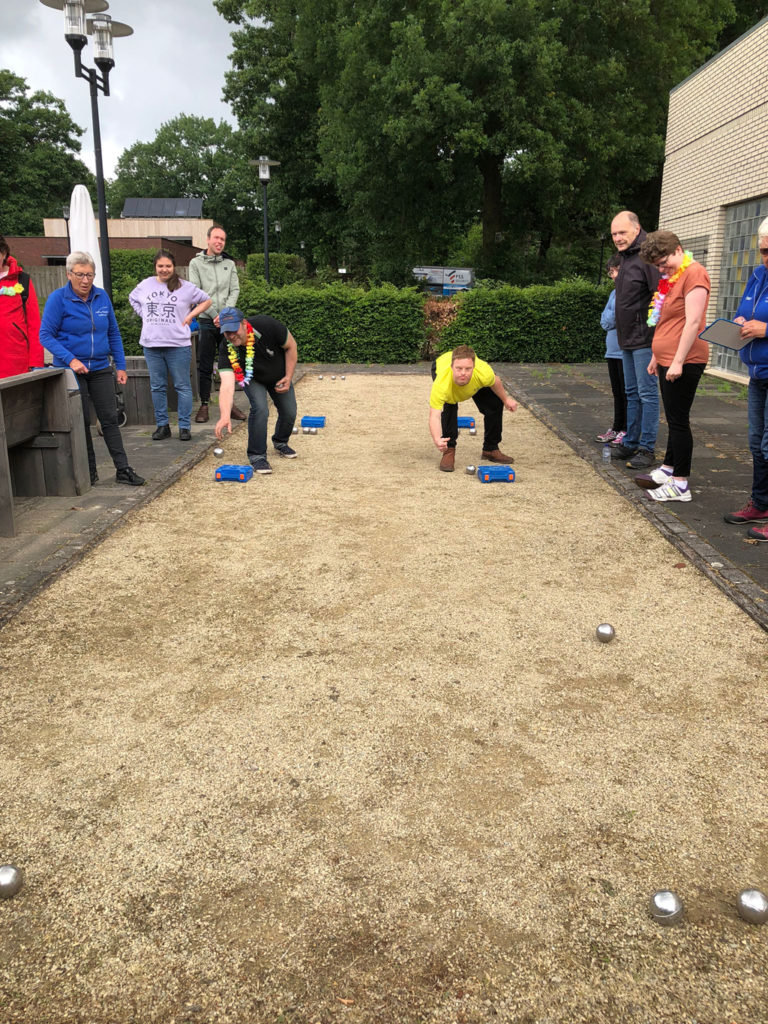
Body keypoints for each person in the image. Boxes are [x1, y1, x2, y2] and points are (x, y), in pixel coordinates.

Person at [40, 251, 144, 487]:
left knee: (109, 418)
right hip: (71, 370)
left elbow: (113, 333)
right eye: (80, 275)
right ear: (69, 274)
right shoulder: (58, 299)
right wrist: (70, 359)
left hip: (99, 367)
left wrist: (121, 365)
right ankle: (89, 471)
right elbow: (45, 335)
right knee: (81, 421)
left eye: (90, 275)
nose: (85, 280)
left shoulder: (101, 297)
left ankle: (123, 469)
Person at [634, 231, 710, 502]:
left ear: (678, 249)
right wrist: (657, 355)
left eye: (663, 261)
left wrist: (677, 360)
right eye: (656, 265)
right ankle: (669, 468)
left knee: (679, 421)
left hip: (686, 360)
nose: (661, 268)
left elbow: (692, 322)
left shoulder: (695, 274)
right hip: (667, 358)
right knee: (673, 417)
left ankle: (680, 484)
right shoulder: (670, 279)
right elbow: (666, 321)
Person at [129, 251, 211, 441]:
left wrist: (190, 316)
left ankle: (184, 426)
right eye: (160, 266)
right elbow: (132, 298)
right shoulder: (145, 285)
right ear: (155, 267)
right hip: (152, 344)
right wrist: (144, 315)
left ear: (173, 267)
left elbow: (207, 300)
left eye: (168, 266)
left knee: (182, 386)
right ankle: (162, 425)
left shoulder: (185, 287)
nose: (164, 269)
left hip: (178, 345)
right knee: (157, 386)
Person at [723, 215, 768, 540]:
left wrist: (766, 329)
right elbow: (747, 310)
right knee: (756, 443)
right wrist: (741, 320)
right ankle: (761, 503)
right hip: (757, 373)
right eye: (764, 251)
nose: (767, 258)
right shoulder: (757, 275)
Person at [214, 307, 298, 474]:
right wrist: (225, 415)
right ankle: (257, 455)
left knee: (289, 411)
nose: (231, 336)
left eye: (234, 330)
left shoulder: (267, 325)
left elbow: (291, 346)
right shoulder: (226, 347)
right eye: (226, 332)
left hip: (278, 374)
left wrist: (289, 376)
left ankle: (280, 442)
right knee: (260, 408)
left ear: (244, 324)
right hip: (251, 378)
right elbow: (227, 385)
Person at [609, 210, 661, 470]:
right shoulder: (625, 257)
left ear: (637, 229)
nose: (618, 238)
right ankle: (630, 441)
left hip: (645, 339)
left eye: (622, 233)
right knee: (631, 393)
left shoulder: (647, 256)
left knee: (647, 393)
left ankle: (647, 447)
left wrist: (655, 335)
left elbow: (660, 296)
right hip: (626, 338)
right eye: (614, 234)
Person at [188, 224, 245, 424]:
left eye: (223, 239)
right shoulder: (195, 264)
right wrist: (214, 315)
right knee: (205, 364)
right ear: (208, 240)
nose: (219, 242)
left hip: (227, 322)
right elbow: (196, 293)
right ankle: (204, 404)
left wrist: (225, 314)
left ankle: (229, 404)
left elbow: (235, 290)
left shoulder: (229, 264)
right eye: (216, 238)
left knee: (229, 362)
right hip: (206, 320)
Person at [429, 345, 517, 472]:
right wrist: (437, 439)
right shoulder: (442, 383)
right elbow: (434, 415)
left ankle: (490, 449)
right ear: (452, 367)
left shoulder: (483, 372)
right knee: (449, 405)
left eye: (468, 369)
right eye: (458, 368)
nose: (463, 373)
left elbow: (495, 382)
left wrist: (506, 399)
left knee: (494, 403)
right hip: (441, 369)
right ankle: (449, 450)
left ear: (474, 368)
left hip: (474, 380)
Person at [0, 236, 44, 379]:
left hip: (16, 363)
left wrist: (36, 363)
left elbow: (34, 324)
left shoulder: (22, 280)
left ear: (4, 253)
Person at [595, 253, 627, 446]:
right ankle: (616, 427)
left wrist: (611, 316)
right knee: (616, 392)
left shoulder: (627, 293)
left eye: (615, 270)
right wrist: (611, 316)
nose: (613, 275)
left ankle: (626, 429)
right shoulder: (614, 293)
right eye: (610, 272)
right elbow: (606, 320)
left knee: (626, 393)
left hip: (625, 351)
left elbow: (616, 317)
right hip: (612, 350)